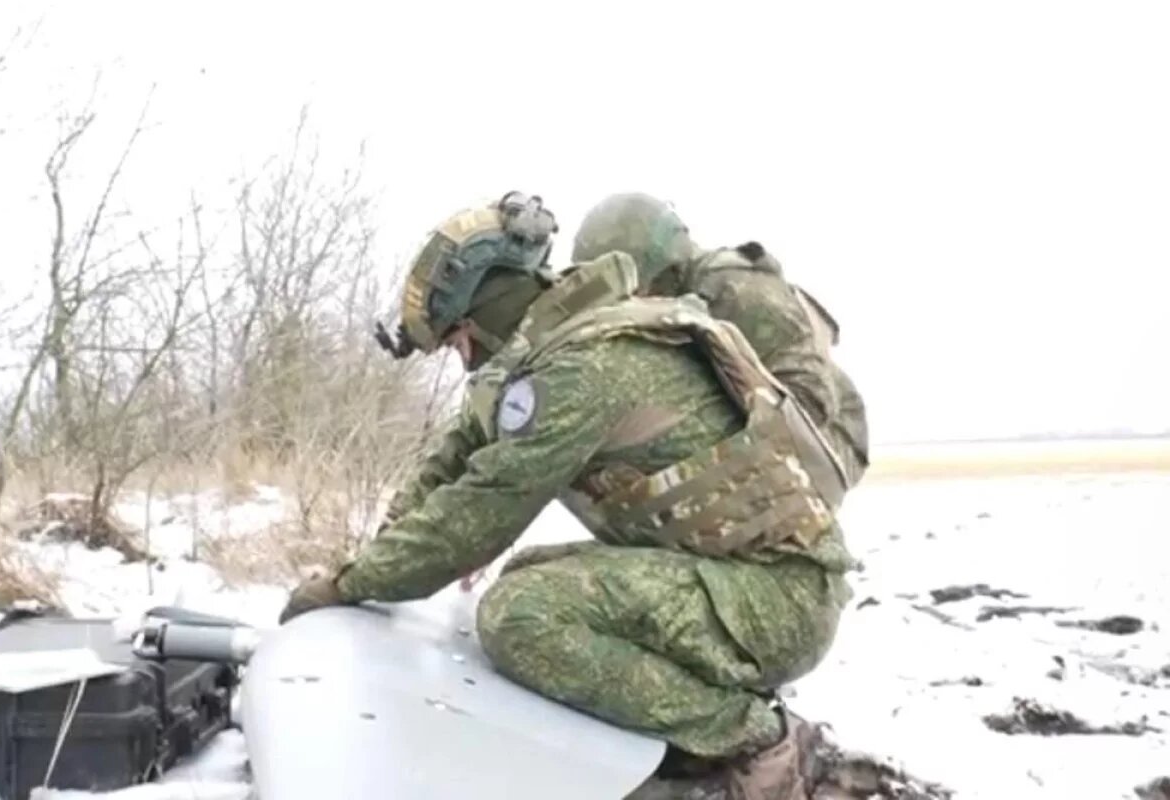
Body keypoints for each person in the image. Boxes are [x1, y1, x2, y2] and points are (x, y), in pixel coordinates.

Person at [280, 191, 856, 799]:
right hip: (742, 581)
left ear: (488, 314)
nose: (461, 359)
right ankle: (685, 743)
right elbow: (451, 461)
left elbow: (476, 513)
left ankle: (761, 741)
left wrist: (349, 585)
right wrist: (374, 557)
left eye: (457, 340)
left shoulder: (584, 368)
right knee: (528, 573)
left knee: (522, 615)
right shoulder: (552, 352)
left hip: (783, 600)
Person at [572, 193, 870, 487]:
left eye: (637, 288)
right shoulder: (677, 295)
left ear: (665, 268)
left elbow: (812, 403)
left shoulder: (741, 292)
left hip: (828, 443)